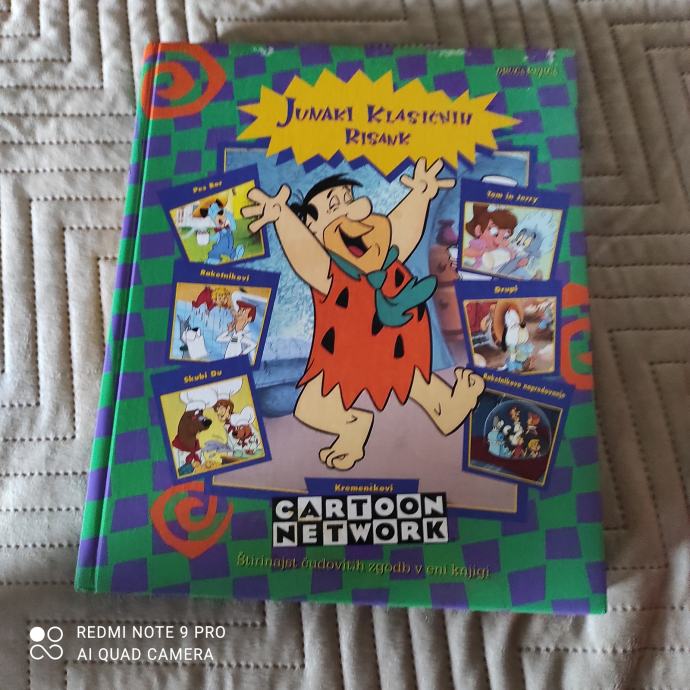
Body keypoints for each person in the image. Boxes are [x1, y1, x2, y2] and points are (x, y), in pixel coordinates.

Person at [241, 160, 484, 471]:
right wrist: (283, 218)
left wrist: (420, 195)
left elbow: (403, 230)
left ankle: (444, 407)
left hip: (394, 342)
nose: (350, 209)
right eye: (334, 207)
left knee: (412, 380)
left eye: (349, 199)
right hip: (345, 353)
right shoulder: (327, 270)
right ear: (313, 229)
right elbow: (303, 254)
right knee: (312, 406)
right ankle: (354, 427)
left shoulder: (380, 246)